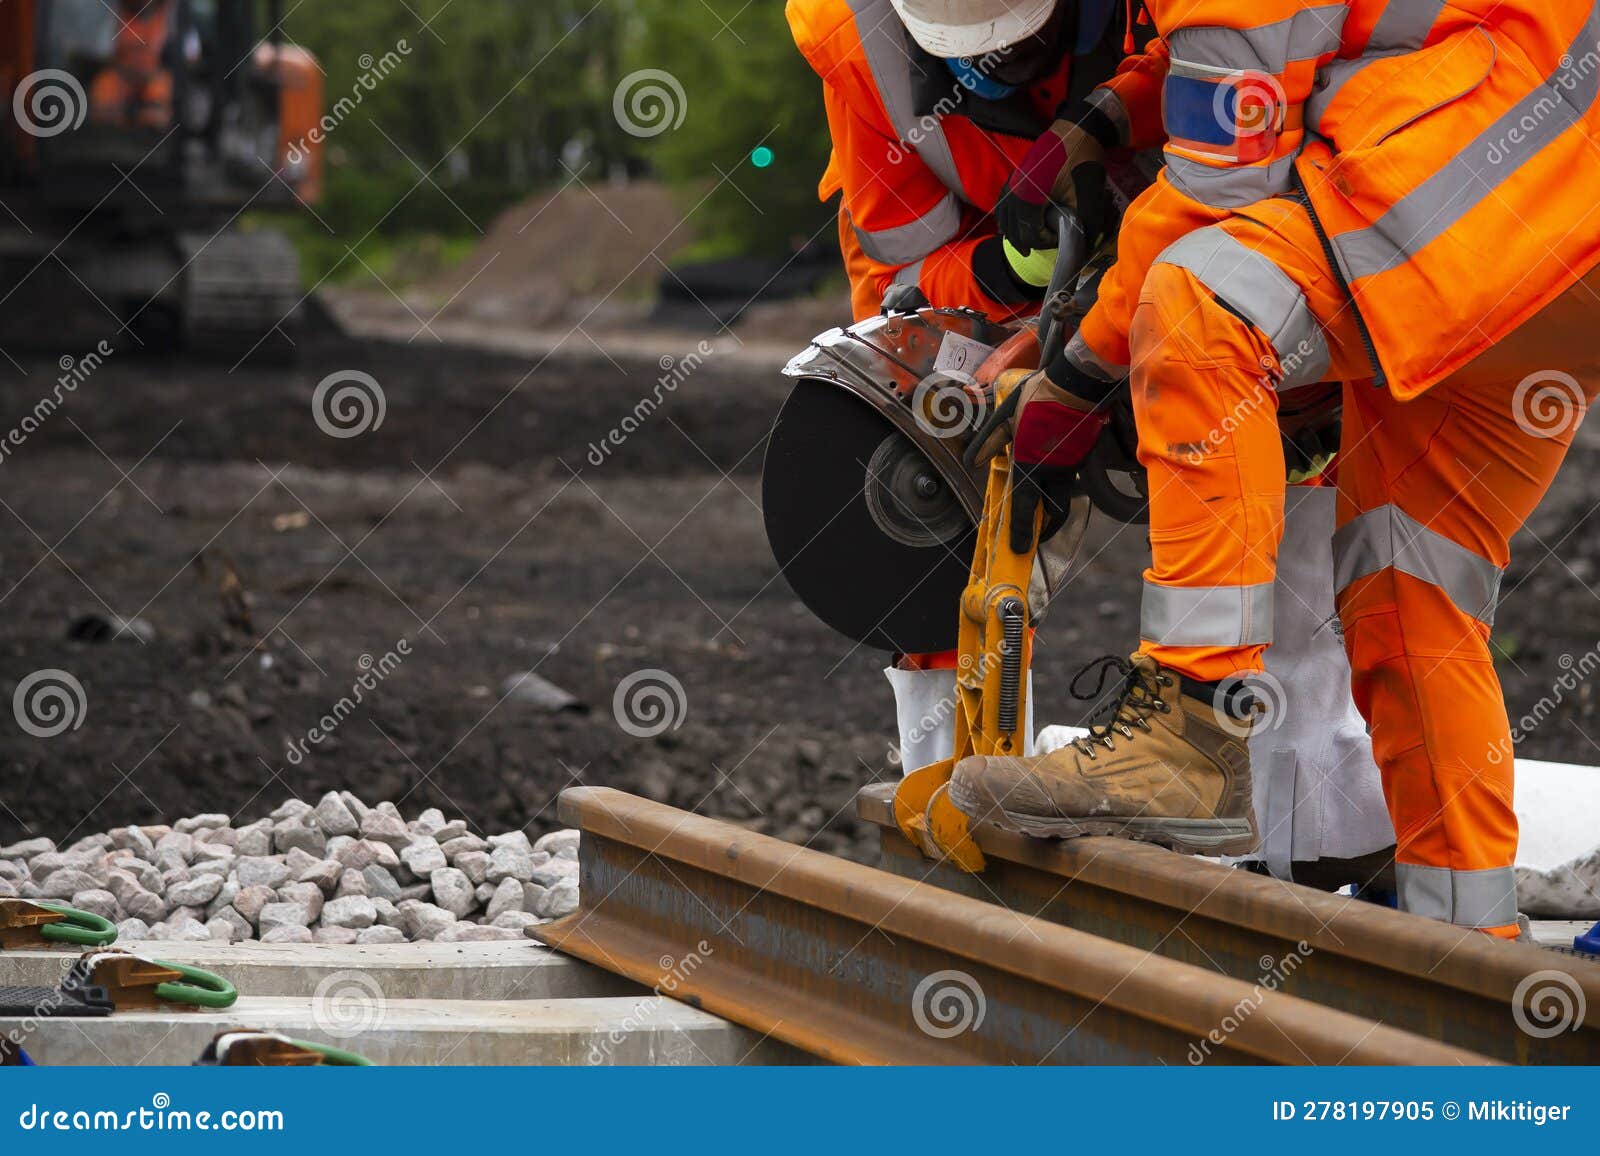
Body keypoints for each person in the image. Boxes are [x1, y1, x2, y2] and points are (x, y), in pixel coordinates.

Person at [951, 0, 1600, 938]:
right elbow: (1273, 42)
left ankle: (1190, 728)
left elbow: (1216, 185)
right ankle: (1467, 944)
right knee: (1408, 585)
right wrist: (1106, 117)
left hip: (1474, 205)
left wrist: (1079, 370)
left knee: (1201, 302)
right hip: (1541, 247)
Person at [90, 0, 174, 128]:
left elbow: (187, 55)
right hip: (121, 76)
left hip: (153, 77)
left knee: (159, 96)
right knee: (105, 91)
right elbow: (104, 52)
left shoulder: (169, 15)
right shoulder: (114, 15)